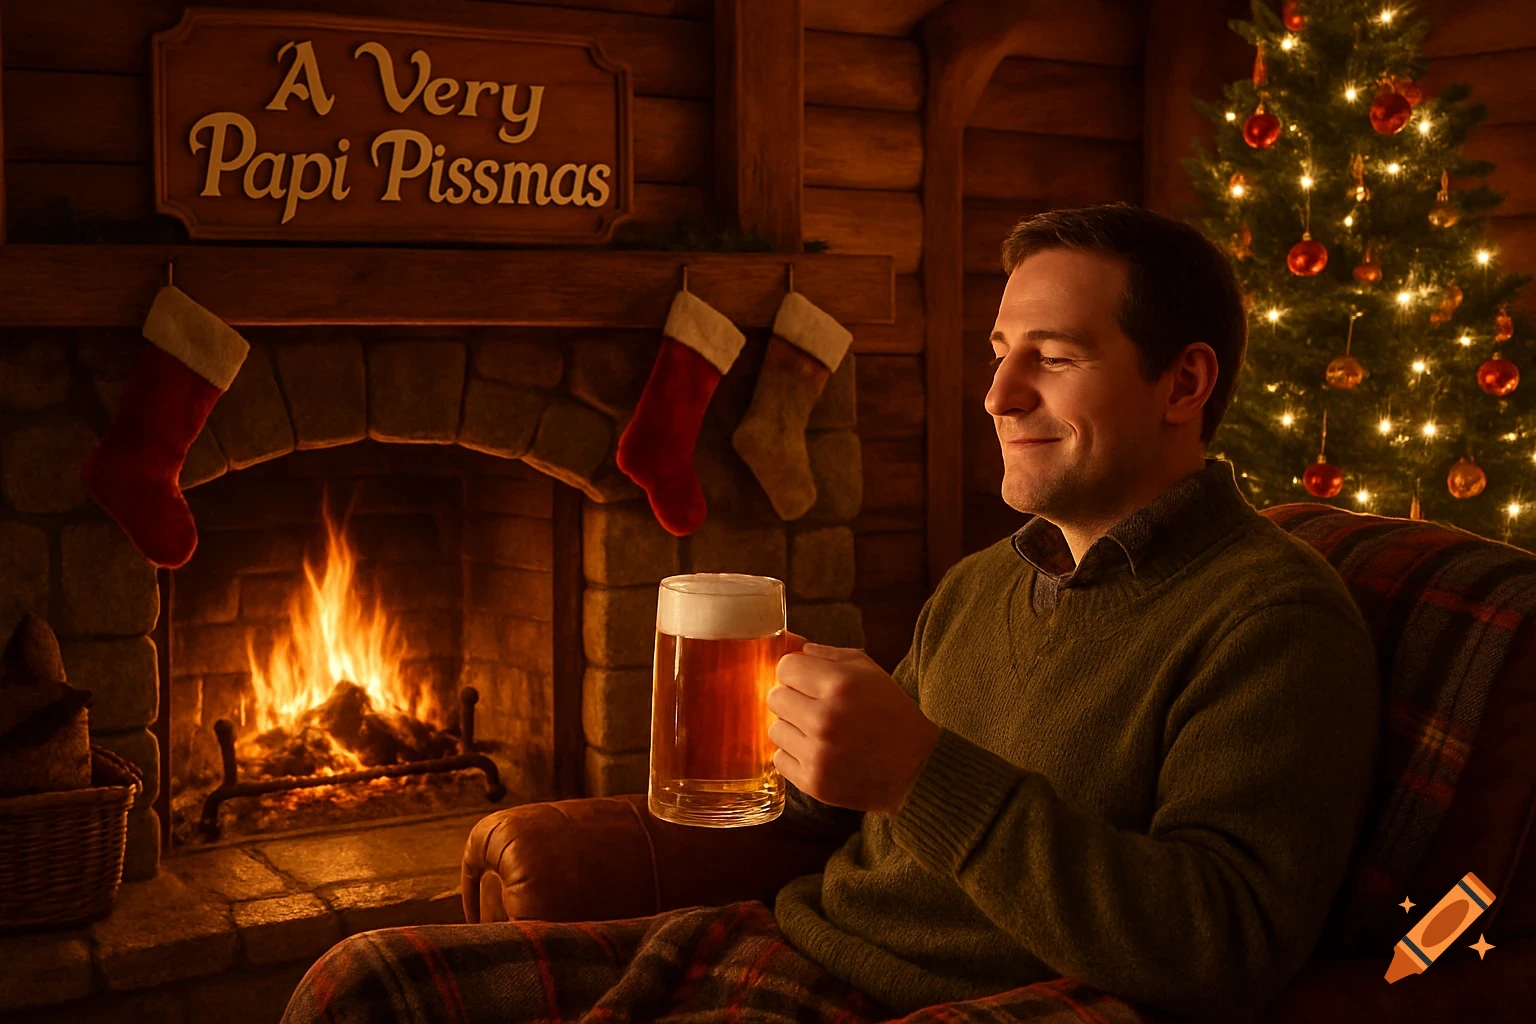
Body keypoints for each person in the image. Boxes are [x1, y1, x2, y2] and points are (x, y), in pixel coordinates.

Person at [281, 204, 1378, 1024]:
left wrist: (919, 772)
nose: (997, 397)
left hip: (949, 1004)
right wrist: (805, 745)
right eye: (1001, 353)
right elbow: (857, 820)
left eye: (1054, 357)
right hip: (790, 943)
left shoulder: (1272, 618)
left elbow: (1223, 940)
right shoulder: (984, 582)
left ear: (1183, 384)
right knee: (361, 982)